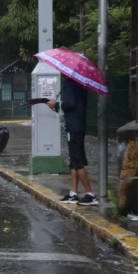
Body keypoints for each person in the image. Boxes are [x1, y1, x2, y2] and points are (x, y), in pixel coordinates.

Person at [46, 77, 98, 206]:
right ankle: (73, 193)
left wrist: (56, 105)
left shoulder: (70, 82)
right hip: (78, 125)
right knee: (73, 161)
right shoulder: (80, 83)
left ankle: (90, 194)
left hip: (73, 126)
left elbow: (70, 103)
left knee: (76, 160)